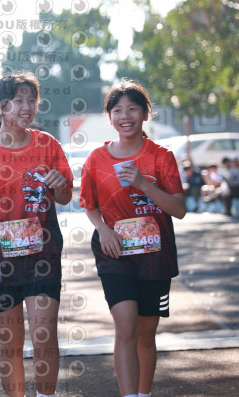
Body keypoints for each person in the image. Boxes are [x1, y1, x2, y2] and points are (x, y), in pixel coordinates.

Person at [0, 71, 73, 397]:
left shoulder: (48, 145)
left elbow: (65, 197)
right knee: (10, 343)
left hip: (42, 256)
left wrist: (60, 185)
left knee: (44, 336)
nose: (27, 107)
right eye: (19, 100)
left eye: (32, 100)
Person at [79, 79, 186, 397]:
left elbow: (179, 209)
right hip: (115, 254)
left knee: (145, 334)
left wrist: (143, 183)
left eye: (133, 109)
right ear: (109, 116)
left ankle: (143, 393)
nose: (125, 116)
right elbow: (88, 204)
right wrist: (102, 229)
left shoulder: (162, 157)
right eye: (117, 110)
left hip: (155, 257)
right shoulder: (96, 159)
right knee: (126, 328)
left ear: (145, 113)